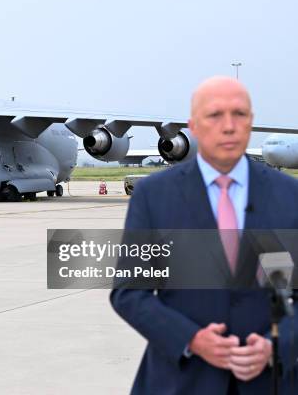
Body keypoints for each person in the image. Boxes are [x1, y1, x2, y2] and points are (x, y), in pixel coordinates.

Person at [110, 76, 298, 394]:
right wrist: (191, 339)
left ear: (251, 122)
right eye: (215, 115)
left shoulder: (290, 195)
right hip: (181, 378)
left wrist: (276, 346)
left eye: (239, 114)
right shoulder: (153, 195)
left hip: (271, 380)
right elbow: (129, 293)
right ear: (193, 127)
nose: (228, 126)